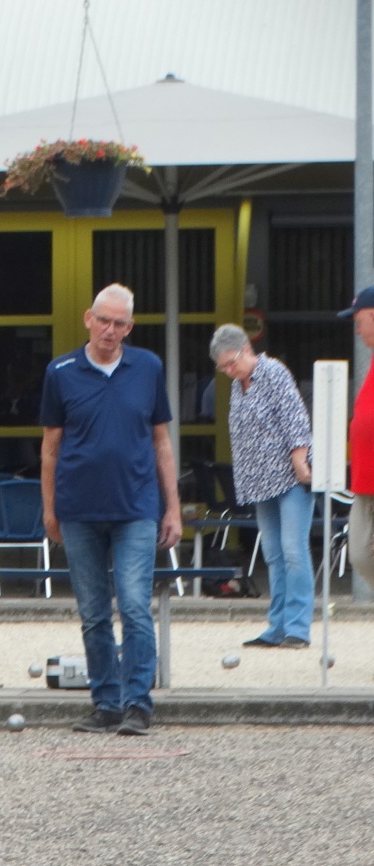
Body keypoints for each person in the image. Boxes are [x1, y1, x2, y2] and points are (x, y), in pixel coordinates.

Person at [40, 284, 181, 737]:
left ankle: (136, 703)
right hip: (78, 509)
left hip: (136, 507)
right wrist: (49, 509)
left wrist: (173, 508)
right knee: (94, 612)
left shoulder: (148, 367)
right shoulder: (60, 372)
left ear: (130, 327)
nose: (110, 330)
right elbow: (50, 448)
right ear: (88, 318)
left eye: (120, 323)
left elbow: (161, 442)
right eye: (104, 320)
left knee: (135, 606)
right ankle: (105, 702)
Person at [209, 324, 313, 648]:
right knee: (273, 554)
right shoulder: (238, 385)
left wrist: (300, 459)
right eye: (223, 367)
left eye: (231, 363)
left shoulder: (273, 372)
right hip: (259, 482)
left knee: (293, 550)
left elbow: (295, 418)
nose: (229, 371)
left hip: (290, 477)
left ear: (246, 350)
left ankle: (298, 628)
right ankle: (276, 626)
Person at [341, 286, 374, 591]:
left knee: (364, 554)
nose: (357, 329)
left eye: (358, 320)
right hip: (365, 484)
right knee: (361, 555)